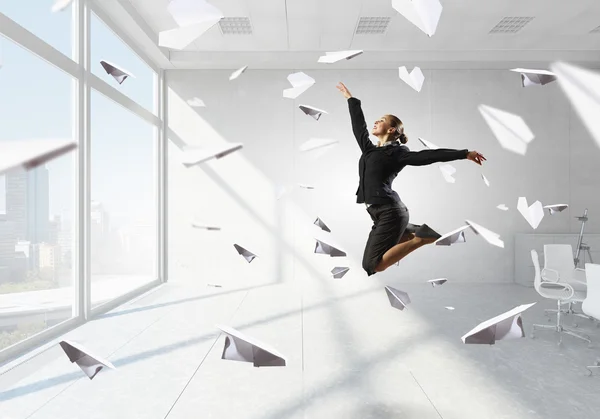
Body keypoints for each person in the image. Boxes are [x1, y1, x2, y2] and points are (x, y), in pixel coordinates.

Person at [336, 82, 486, 276]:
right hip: (379, 213)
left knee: (372, 265)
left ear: (391, 130)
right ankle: (407, 231)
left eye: (381, 120)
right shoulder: (370, 149)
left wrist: (464, 153)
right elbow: (359, 127)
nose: (376, 122)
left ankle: (420, 238)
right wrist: (351, 100)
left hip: (390, 212)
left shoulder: (398, 153)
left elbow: (429, 156)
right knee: (377, 257)